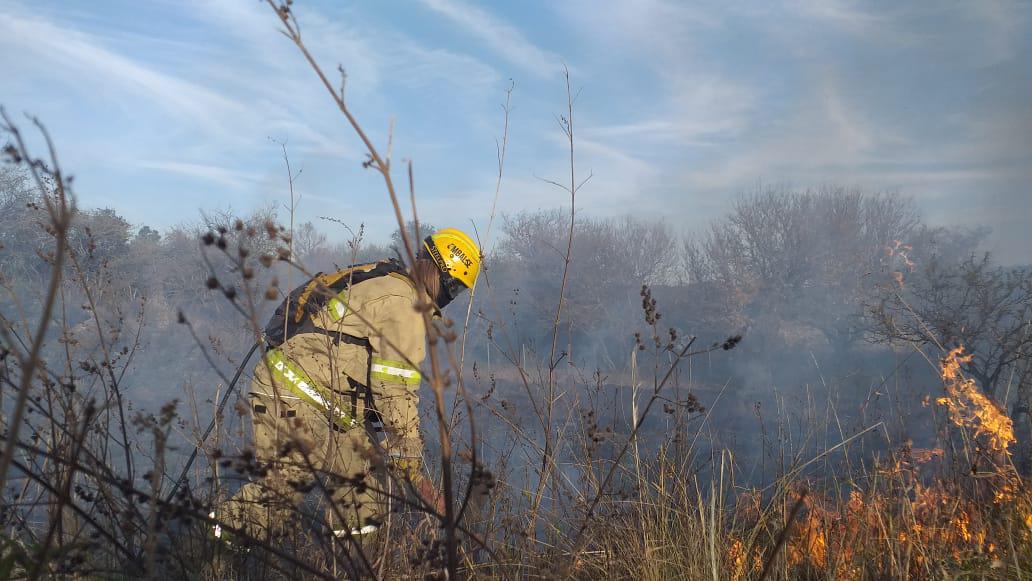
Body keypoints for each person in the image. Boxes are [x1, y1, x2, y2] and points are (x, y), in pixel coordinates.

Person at [216, 227, 480, 544]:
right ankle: (209, 552)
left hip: (326, 400)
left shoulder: (389, 281)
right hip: (293, 390)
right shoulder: (405, 304)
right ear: (444, 278)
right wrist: (411, 462)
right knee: (286, 483)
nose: (451, 296)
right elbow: (395, 390)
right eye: (455, 288)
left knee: (364, 481)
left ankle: (356, 561)